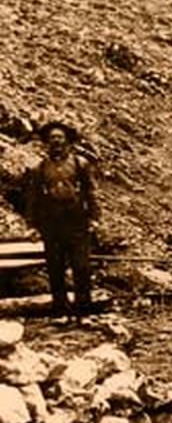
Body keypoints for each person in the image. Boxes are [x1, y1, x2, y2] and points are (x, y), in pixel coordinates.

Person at [23, 121, 99, 323]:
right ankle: (60, 311)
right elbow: (33, 198)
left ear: (67, 141)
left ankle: (83, 311)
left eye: (60, 138)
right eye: (52, 138)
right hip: (51, 223)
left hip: (77, 221)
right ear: (47, 142)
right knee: (55, 268)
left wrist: (95, 218)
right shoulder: (40, 168)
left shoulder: (79, 163)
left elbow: (91, 193)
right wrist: (31, 225)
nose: (56, 141)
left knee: (81, 267)